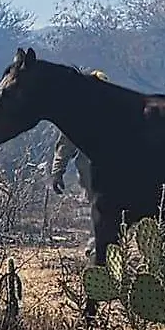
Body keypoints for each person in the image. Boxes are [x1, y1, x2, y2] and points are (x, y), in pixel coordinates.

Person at [49, 69, 109, 257]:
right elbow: (65, 145)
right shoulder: (79, 114)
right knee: (98, 205)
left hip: (115, 171)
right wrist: (57, 172)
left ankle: (107, 244)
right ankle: (96, 244)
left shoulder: (116, 110)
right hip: (90, 172)